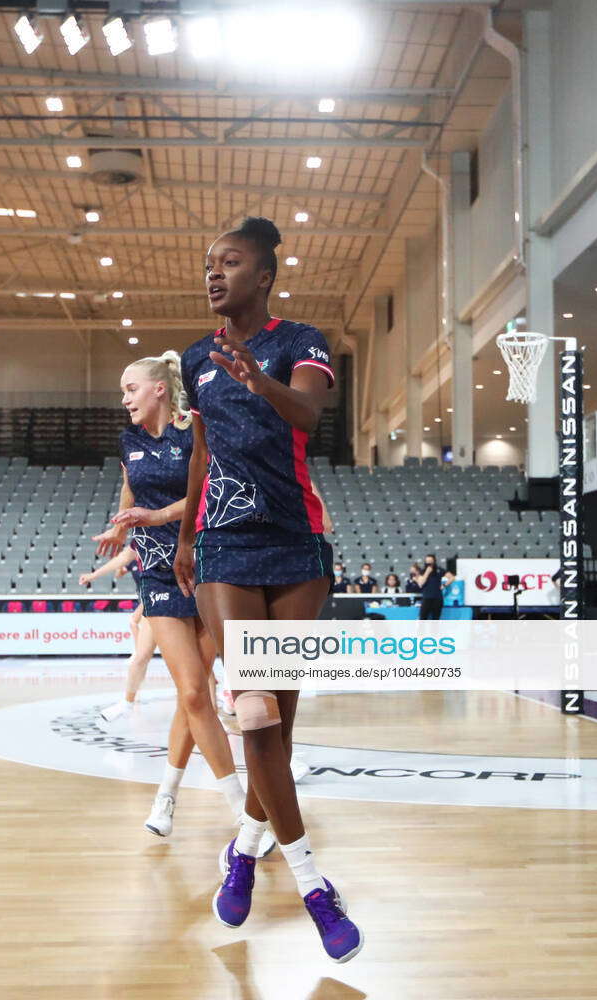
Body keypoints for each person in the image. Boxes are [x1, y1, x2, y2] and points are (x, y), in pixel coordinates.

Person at [175, 216, 363, 962]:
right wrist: (188, 534)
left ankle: (244, 853)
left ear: (264, 277)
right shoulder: (196, 359)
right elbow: (200, 450)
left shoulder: (300, 340)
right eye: (209, 263)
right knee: (252, 713)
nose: (214, 274)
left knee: (275, 733)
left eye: (230, 262)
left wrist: (261, 378)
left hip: (296, 550)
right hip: (223, 547)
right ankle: (317, 889)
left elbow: (311, 413)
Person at [92, 351, 272, 851]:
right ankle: (240, 809)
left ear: (159, 390)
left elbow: (210, 491)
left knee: (193, 696)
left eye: (130, 388)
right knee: (193, 690)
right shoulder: (129, 442)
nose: (124, 398)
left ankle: (166, 794)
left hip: (206, 568)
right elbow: (130, 494)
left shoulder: (194, 428)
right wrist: (120, 525)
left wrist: (155, 516)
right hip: (156, 574)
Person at [78, 546, 157, 722]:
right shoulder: (142, 543)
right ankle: (128, 702)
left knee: (201, 666)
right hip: (156, 598)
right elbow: (121, 561)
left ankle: (226, 695)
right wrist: (93, 575)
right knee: (140, 657)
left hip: (189, 597)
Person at [417, 553, 444, 620]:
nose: (429, 564)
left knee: (436, 619)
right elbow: (420, 583)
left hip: (437, 598)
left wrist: (444, 585)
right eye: (427, 562)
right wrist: (427, 573)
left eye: (430, 563)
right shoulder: (423, 571)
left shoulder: (439, 570)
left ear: (434, 562)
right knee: (423, 618)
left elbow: (451, 577)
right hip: (426, 597)